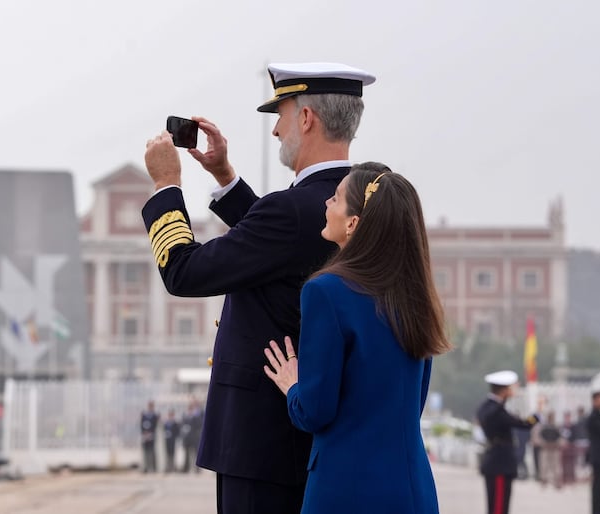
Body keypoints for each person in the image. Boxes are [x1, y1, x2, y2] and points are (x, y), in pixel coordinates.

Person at [141, 62, 375, 514]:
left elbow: (184, 273)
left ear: (306, 119)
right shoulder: (361, 199)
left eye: (280, 115)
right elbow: (284, 245)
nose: (276, 132)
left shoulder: (291, 212)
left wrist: (166, 186)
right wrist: (225, 177)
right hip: (310, 440)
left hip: (260, 446)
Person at [263, 165, 451, 513]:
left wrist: (292, 385)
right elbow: (413, 403)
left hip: (345, 490)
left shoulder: (326, 292)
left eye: (335, 198)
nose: (326, 204)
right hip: (412, 491)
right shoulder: (415, 297)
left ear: (353, 223)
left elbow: (315, 411)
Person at [476, 370, 539, 514]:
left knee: (498, 507)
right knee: (499, 508)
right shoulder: (496, 410)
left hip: (498, 462)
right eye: (512, 387)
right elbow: (524, 424)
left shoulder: (489, 407)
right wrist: (537, 415)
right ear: (505, 390)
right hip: (500, 464)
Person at [538, 411, 563, 488]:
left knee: (556, 465)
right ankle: (544, 480)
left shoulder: (556, 427)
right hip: (545, 448)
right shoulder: (544, 427)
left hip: (554, 449)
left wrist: (556, 444)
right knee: (544, 465)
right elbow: (540, 437)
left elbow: (560, 437)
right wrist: (544, 443)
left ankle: (556, 481)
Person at [180, 398, 204, 474]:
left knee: (195, 453)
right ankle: (186, 468)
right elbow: (182, 424)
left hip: (195, 436)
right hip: (187, 437)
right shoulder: (185, 414)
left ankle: (197, 469)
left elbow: (200, 424)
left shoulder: (198, 414)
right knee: (187, 453)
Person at [140, 401, 159, 473]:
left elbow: (155, 426)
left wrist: (150, 433)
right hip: (145, 436)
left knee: (151, 452)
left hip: (151, 436)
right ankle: (145, 467)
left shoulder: (154, 416)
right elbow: (141, 425)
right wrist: (144, 433)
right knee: (145, 453)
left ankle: (152, 467)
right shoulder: (144, 415)